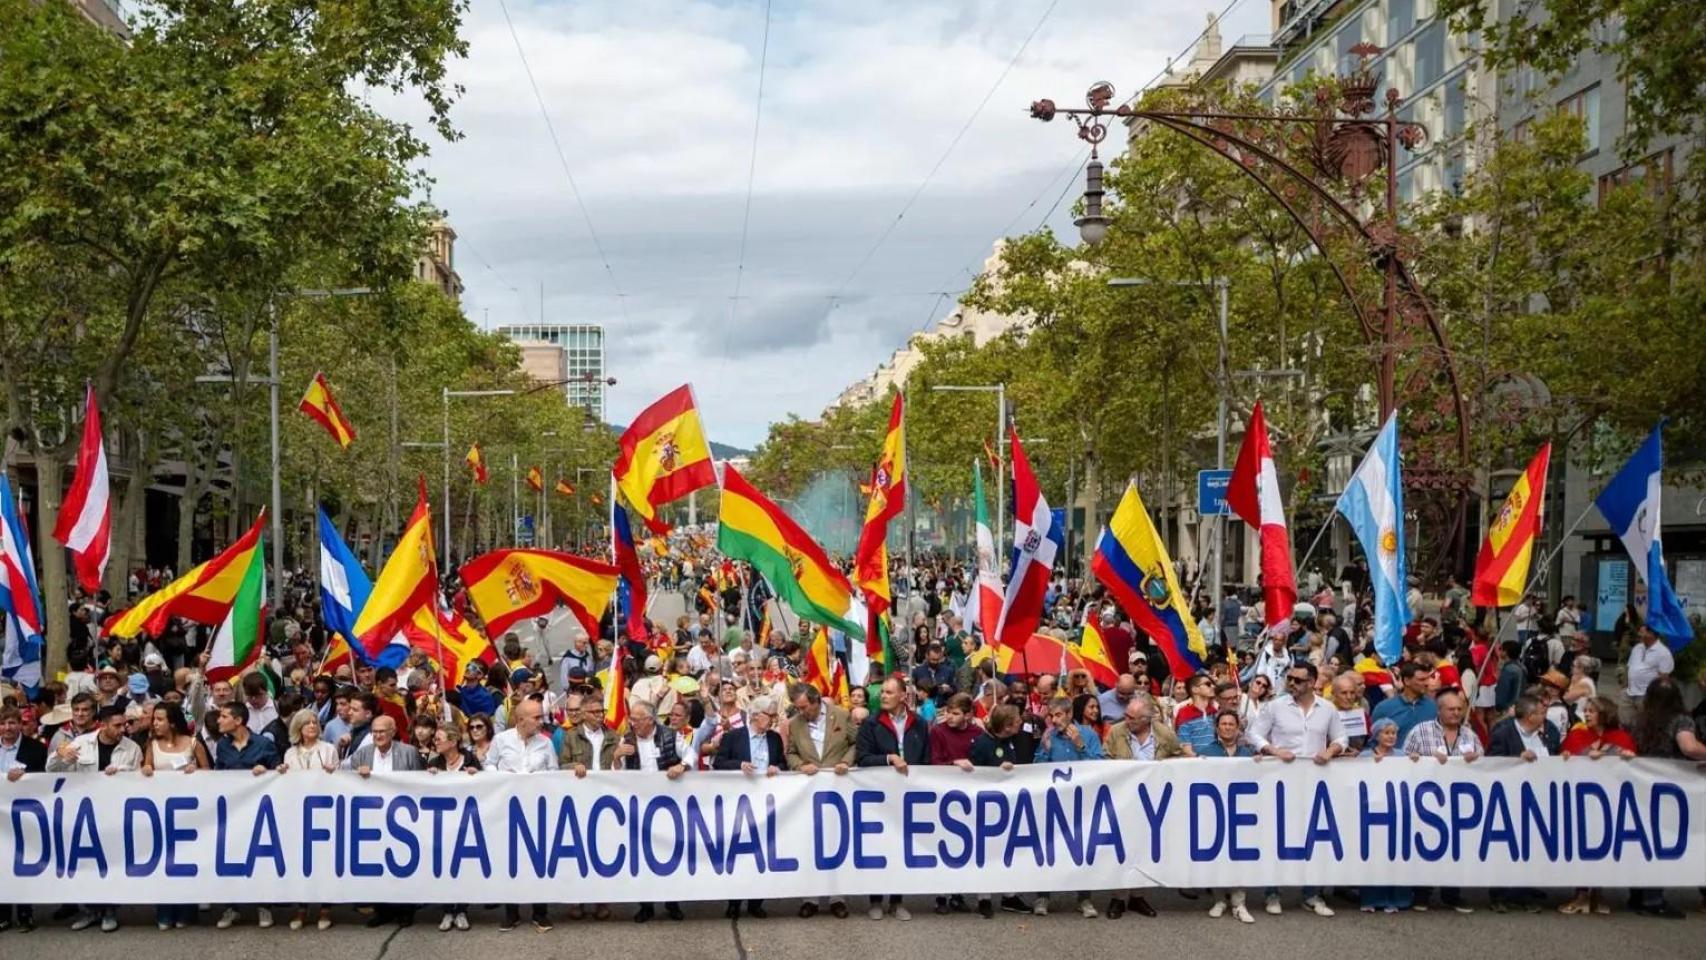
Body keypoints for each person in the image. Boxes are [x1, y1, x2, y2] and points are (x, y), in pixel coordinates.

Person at [1246, 662, 1343, 917]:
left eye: (1298, 680)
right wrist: (1273, 750)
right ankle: (1272, 892)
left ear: (1312, 682)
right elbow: (1254, 734)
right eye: (1289, 679)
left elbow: (1341, 737)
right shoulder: (1275, 706)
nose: (1291, 684)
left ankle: (1311, 894)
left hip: (1315, 782)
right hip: (1279, 780)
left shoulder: (1328, 708)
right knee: (1277, 834)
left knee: (1314, 836)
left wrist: (1331, 750)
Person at [48, 704, 141, 932]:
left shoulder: (132, 748)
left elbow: (140, 781)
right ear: (104, 724)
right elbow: (51, 769)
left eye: (125, 724)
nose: (123, 729)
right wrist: (61, 753)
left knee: (110, 862)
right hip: (84, 813)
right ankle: (90, 910)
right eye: (117, 725)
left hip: (115, 814)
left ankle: (109, 911)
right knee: (86, 863)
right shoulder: (82, 743)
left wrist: (122, 774)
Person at [1101, 696, 1183, 918]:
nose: (1127, 720)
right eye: (1126, 715)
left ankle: (1138, 896)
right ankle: (1118, 897)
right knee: (1121, 849)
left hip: (1154, 800)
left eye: (1132, 718)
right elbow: (1104, 759)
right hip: (1124, 799)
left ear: (1146, 719)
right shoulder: (1117, 732)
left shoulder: (1164, 734)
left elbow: (1178, 759)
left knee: (1145, 849)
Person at [855, 677, 929, 921]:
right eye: (882, 692)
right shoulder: (871, 724)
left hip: (908, 797)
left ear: (902, 696)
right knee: (879, 846)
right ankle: (875, 900)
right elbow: (863, 759)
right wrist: (889, 759)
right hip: (879, 795)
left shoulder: (918, 723)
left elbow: (926, 760)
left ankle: (897, 901)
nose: (882, 696)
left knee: (901, 847)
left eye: (888, 692)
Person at [1557, 695, 1636, 916]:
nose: (1587, 714)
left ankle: (1597, 893)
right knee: (1581, 845)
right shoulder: (1577, 735)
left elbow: (1631, 767)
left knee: (1604, 846)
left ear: (1605, 714)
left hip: (1610, 803)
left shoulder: (1621, 737)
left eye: (1592, 711)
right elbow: (1564, 760)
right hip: (1580, 801)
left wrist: (1624, 757)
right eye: (1587, 711)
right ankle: (1581, 894)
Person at [486, 699, 556, 931]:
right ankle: (512, 912)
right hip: (507, 812)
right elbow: (489, 765)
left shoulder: (545, 743)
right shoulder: (501, 740)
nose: (540, 721)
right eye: (535, 717)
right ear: (520, 719)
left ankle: (540, 912)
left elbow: (554, 773)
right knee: (510, 862)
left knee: (538, 862)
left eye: (540, 716)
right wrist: (504, 778)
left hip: (537, 812)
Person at [715, 695, 786, 919]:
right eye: (770, 715)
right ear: (756, 716)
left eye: (775, 716)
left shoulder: (775, 738)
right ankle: (734, 902)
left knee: (763, 851)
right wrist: (739, 765)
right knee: (739, 853)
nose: (773, 720)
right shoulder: (734, 737)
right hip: (739, 803)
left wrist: (777, 767)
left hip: (767, 802)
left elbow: (783, 762)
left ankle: (756, 902)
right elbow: (719, 763)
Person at [620, 701, 687, 923]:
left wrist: (682, 766)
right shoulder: (627, 739)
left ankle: (672, 902)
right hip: (639, 807)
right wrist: (616, 756)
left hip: (668, 806)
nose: (633, 723)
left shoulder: (671, 735)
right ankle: (646, 905)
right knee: (643, 855)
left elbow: (691, 754)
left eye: (637, 719)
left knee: (671, 854)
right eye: (632, 719)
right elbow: (614, 775)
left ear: (650, 720)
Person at [1198, 711, 1255, 923]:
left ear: (1238, 727)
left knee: (1240, 857)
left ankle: (1239, 903)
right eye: (1224, 724)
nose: (1228, 727)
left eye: (1232, 724)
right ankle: (1219, 899)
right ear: (1217, 727)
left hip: (1242, 812)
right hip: (1214, 812)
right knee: (1217, 857)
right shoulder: (1206, 752)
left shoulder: (1247, 753)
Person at [1357, 718, 1412, 913]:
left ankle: (1397, 900)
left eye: (1394, 733)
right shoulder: (1364, 756)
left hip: (1397, 811)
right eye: (1386, 733)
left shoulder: (1402, 755)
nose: (1391, 736)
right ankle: (1371, 899)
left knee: (1396, 855)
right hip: (1371, 812)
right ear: (1377, 735)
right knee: (1374, 855)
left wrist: (1416, 761)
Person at [1370, 660, 1436, 745]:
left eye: (1427, 679)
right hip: (1394, 757)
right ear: (1407, 681)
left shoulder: (1434, 707)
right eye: (1421, 679)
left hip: (1426, 757)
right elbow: (1373, 741)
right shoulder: (1384, 708)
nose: (1427, 683)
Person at [1624, 624, 1674, 707]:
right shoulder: (1637, 648)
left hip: (1646, 696)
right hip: (1629, 694)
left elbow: (1664, 678)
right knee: (1625, 719)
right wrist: (1624, 687)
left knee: (1644, 719)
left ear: (1651, 634)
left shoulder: (1663, 652)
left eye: (1641, 632)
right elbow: (1629, 667)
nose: (1638, 634)